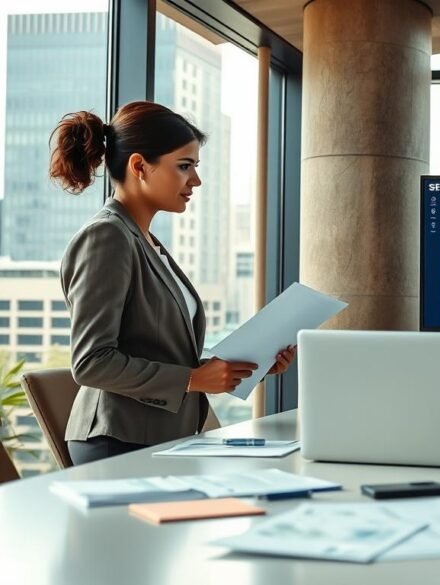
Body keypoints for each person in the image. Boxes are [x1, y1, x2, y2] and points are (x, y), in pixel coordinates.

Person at [49, 101, 296, 465]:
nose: (195, 181)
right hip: (118, 443)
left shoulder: (144, 241)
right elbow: (92, 362)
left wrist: (247, 365)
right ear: (139, 166)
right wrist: (193, 380)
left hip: (162, 440)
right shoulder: (107, 237)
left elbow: (161, 351)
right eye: (184, 166)